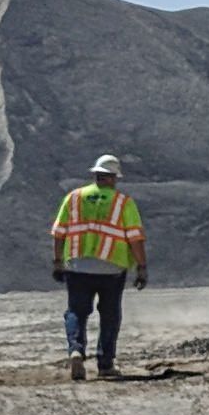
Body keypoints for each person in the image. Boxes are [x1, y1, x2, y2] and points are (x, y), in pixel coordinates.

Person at [51, 154, 147, 380]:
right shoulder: (123, 203)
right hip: (112, 268)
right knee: (110, 315)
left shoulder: (74, 198)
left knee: (76, 311)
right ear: (113, 178)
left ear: (95, 175)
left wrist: (57, 261)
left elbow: (59, 232)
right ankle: (105, 364)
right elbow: (135, 238)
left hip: (77, 266)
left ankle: (76, 350)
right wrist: (141, 266)